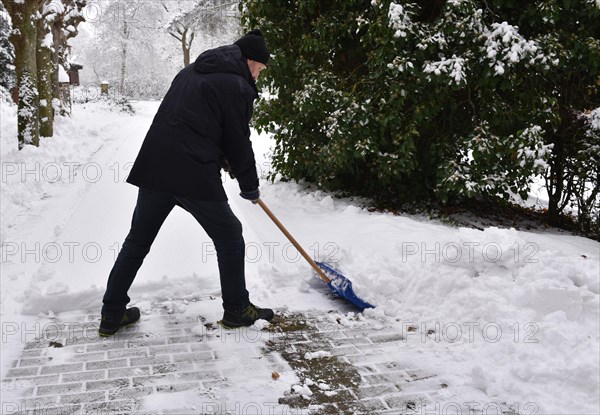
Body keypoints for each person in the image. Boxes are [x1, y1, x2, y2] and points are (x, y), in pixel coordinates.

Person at [98, 29, 274, 336]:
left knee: (137, 241)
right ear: (249, 60)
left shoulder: (193, 70)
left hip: (155, 165)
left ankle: (111, 313)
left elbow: (195, 122)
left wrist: (224, 158)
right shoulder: (236, 85)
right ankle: (236, 309)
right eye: (260, 67)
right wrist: (249, 185)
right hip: (193, 172)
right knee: (231, 235)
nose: (259, 75)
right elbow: (238, 140)